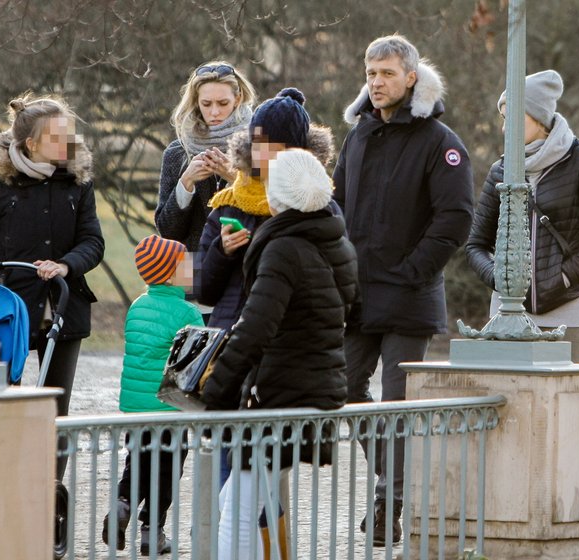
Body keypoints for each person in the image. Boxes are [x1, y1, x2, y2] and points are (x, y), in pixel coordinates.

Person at [332, 34, 475, 544]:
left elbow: (456, 217)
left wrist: (415, 269)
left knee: (396, 403)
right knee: (343, 389)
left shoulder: (440, 141)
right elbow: (336, 209)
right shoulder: (359, 136)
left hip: (409, 297)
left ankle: (388, 505)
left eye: (387, 74)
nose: (376, 83)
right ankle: (392, 486)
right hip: (357, 295)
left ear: (411, 77)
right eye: (371, 74)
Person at [202, 148, 358, 559]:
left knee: (237, 508)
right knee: (244, 500)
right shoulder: (335, 241)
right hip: (317, 387)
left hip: (279, 395)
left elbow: (256, 326)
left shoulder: (283, 248)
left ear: (279, 197)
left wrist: (216, 390)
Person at [0, 92, 105, 481]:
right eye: (57, 136)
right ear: (30, 144)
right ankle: (1, 479)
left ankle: (50, 491)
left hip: (64, 311)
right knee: (4, 399)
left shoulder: (78, 184)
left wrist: (64, 266)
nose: (68, 143)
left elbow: (93, 242)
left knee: (56, 406)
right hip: (9, 310)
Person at [197, 87, 335, 485]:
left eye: (273, 147)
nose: (263, 155)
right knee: (232, 472)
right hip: (231, 349)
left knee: (263, 475)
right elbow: (204, 289)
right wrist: (223, 253)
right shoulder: (227, 201)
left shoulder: (318, 204)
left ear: (297, 152)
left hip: (282, 356)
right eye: (258, 144)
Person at [465, 70, 579, 360]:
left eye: (513, 116)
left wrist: (564, 277)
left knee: (563, 402)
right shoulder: (500, 170)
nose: (505, 129)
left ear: (538, 117)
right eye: (503, 118)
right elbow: (476, 245)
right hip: (506, 314)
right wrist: (499, 280)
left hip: (568, 311)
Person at [102, 234, 202, 555]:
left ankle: (122, 503)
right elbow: (193, 365)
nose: (193, 269)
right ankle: (152, 531)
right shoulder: (188, 313)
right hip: (169, 407)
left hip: (137, 406)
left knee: (138, 460)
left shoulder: (137, 306)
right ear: (170, 273)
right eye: (186, 265)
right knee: (168, 468)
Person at [154, 61, 257, 252]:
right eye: (206, 104)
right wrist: (186, 182)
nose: (215, 112)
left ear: (238, 98)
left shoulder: (258, 146)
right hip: (196, 271)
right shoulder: (177, 153)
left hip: (246, 268)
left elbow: (274, 211)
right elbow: (168, 233)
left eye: (223, 103)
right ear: (196, 102)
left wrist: (237, 179)